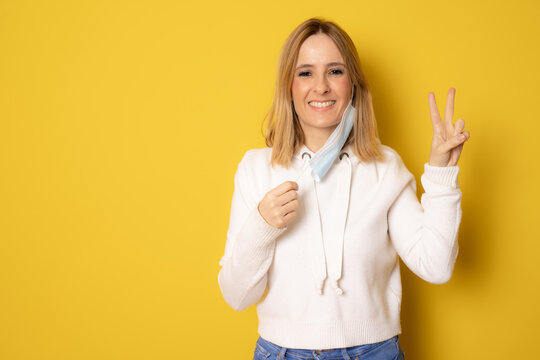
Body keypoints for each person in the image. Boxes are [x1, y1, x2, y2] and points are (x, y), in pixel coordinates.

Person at [217, 17, 470, 360]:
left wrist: (442, 173)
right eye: (305, 72)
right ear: (288, 86)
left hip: (373, 352)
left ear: (353, 84)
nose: (320, 86)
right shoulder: (255, 169)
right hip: (280, 353)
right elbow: (236, 296)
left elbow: (435, 267)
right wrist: (261, 226)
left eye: (335, 71)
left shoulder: (385, 167)